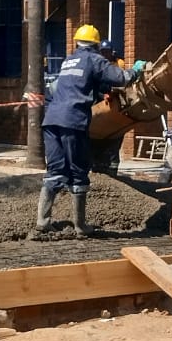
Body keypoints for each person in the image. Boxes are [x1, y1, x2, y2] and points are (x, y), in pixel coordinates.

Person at [35, 24, 139, 238]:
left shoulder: (68, 61)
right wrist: (136, 70)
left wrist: (103, 90)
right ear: (96, 45)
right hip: (73, 121)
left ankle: (42, 222)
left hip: (52, 119)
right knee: (78, 171)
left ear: (76, 42)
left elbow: (69, 86)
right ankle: (80, 226)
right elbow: (122, 78)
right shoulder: (94, 59)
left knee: (55, 170)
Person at [91, 41, 127, 177]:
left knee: (113, 140)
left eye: (107, 51)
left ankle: (111, 171)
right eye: (103, 51)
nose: (105, 54)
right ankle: (98, 166)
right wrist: (103, 94)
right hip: (102, 101)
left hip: (115, 102)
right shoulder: (98, 64)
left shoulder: (118, 63)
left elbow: (120, 80)